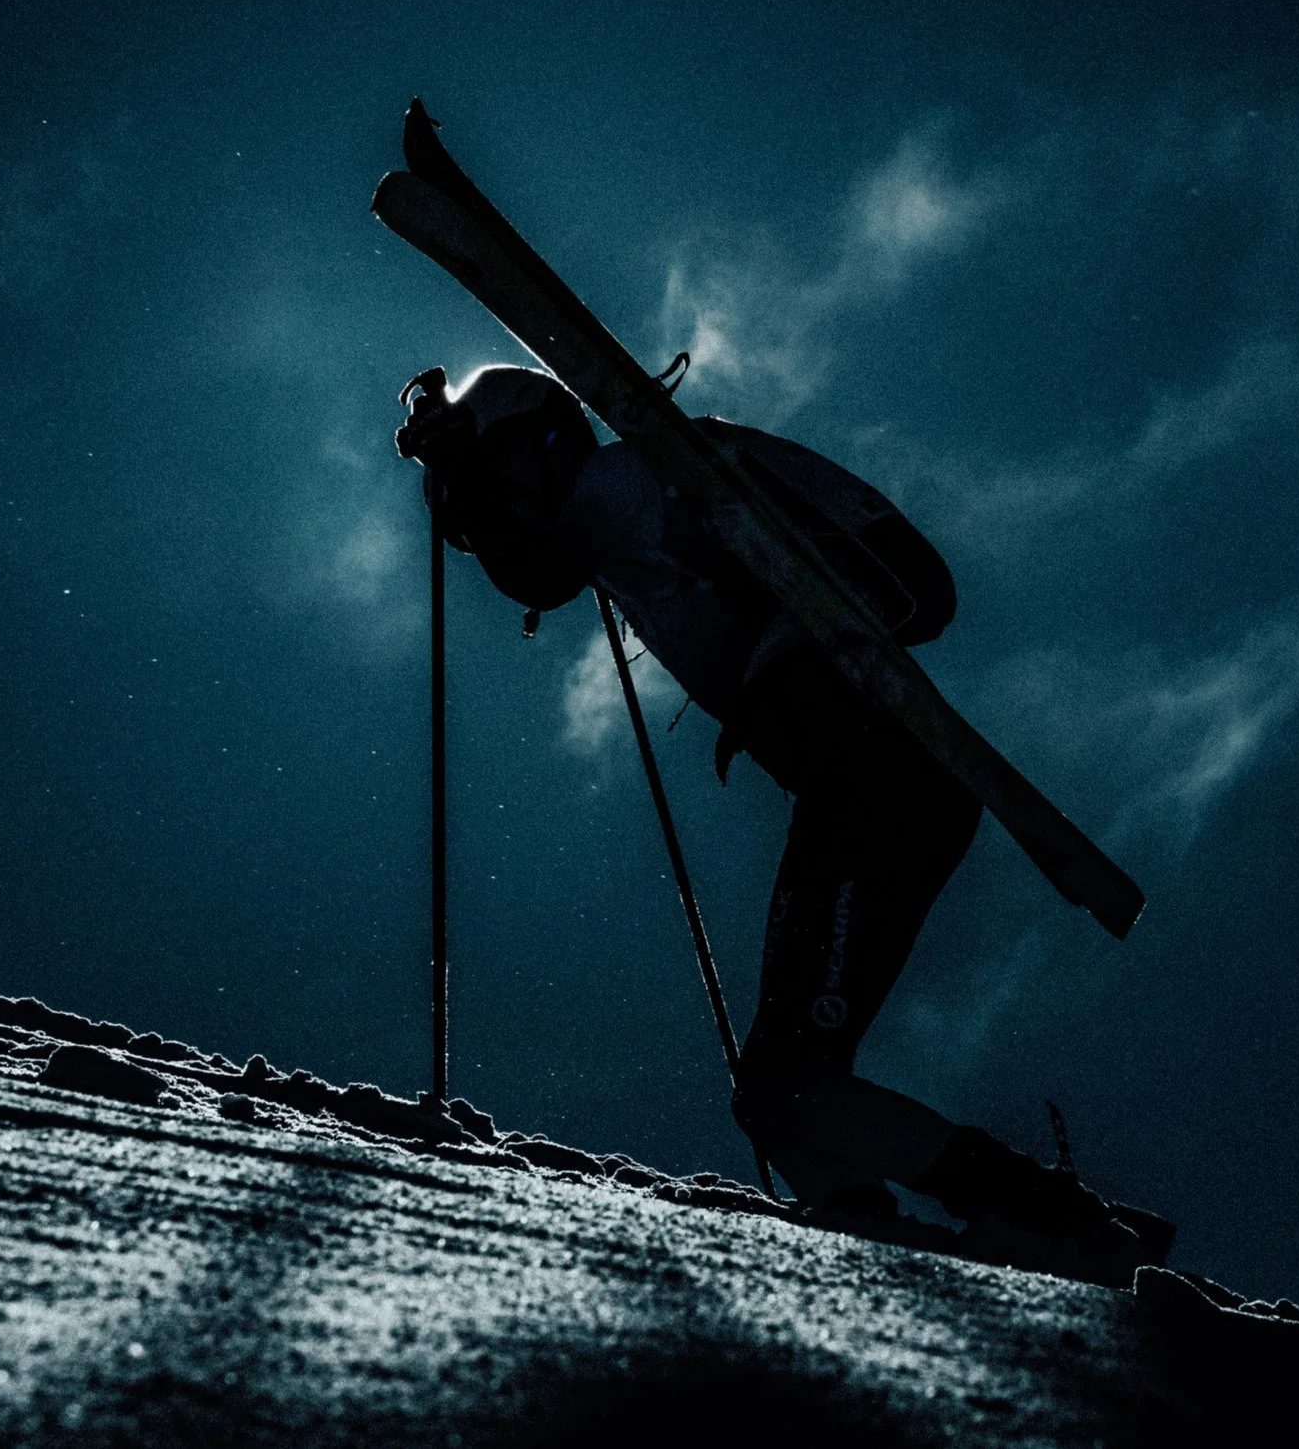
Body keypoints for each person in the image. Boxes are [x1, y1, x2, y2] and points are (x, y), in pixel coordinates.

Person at [395, 363, 1171, 1284]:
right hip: (870, 791)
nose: (496, 524)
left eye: (504, 471)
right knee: (776, 1095)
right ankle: (884, 1229)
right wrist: (472, 484)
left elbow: (904, 575)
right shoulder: (624, 525)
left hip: (879, 780)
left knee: (783, 1087)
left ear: (548, 439)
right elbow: (539, 555)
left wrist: (795, 658)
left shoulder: (633, 479)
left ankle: (1046, 1220)